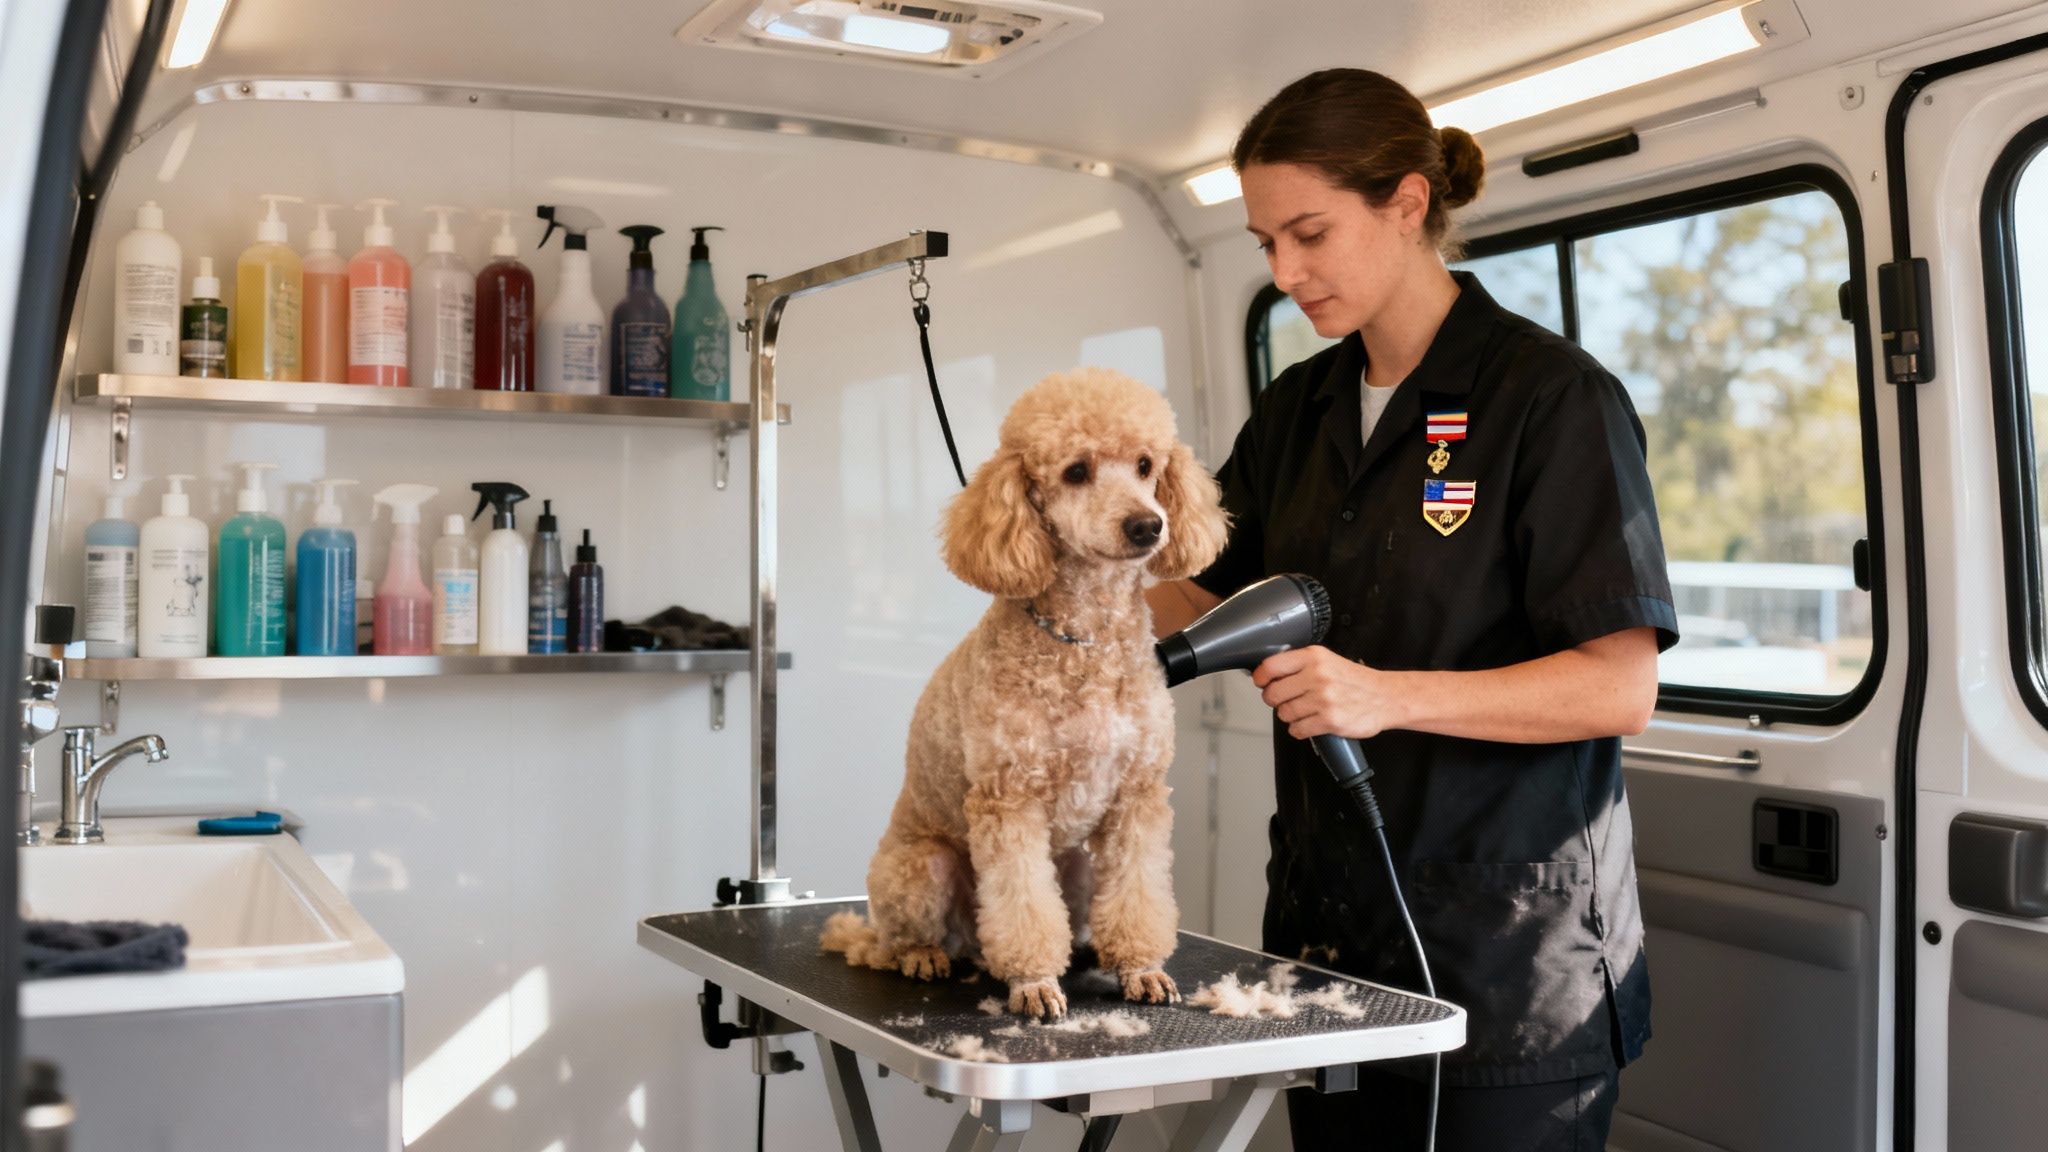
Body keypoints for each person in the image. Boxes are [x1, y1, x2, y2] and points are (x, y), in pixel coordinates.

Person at [1148, 69, 1678, 1152]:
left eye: (1308, 233)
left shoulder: (1551, 400)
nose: (1286, 273)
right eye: (1263, 244)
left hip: (1504, 966)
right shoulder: (1297, 410)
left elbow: (1618, 685)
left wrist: (1379, 696)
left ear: (1402, 202)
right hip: (1323, 952)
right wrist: (1084, 549)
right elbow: (1199, 593)